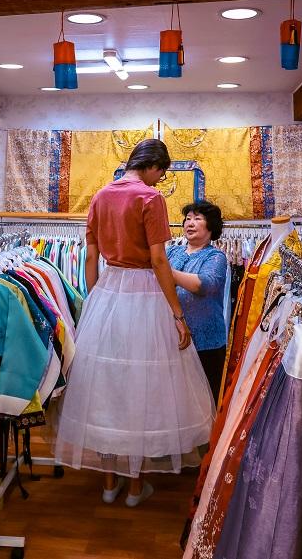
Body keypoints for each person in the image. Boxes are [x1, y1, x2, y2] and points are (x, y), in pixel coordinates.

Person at [53, 139, 215, 508]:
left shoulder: (100, 196)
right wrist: (177, 314)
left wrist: (95, 301)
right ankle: (135, 485)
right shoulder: (149, 198)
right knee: (143, 385)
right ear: (153, 165)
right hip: (144, 291)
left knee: (109, 387)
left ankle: (110, 483)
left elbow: (91, 256)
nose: (160, 182)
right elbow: (159, 260)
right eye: (161, 174)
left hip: (108, 289)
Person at [167, 200, 229, 403]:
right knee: (177, 399)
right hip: (172, 338)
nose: (189, 223)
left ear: (211, 225)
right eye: (187, 218)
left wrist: (165, 273)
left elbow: (205, 285)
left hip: (206, 342)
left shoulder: (215, 256)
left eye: (197, 218)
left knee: (206, 399)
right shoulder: (173, 252)